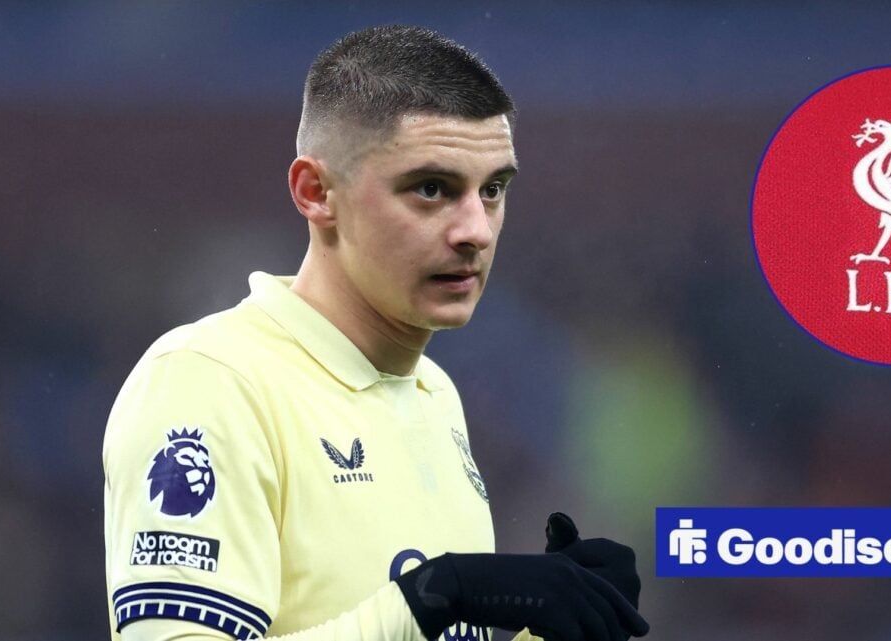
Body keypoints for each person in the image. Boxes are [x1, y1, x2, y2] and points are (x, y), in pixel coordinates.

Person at [102, 25, 649, 641]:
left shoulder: (435, 395)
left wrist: (550, 628)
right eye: (431, 189)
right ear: (316, 194)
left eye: (492, 190)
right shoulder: (212, 380)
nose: (476, 229)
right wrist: (434, 597)